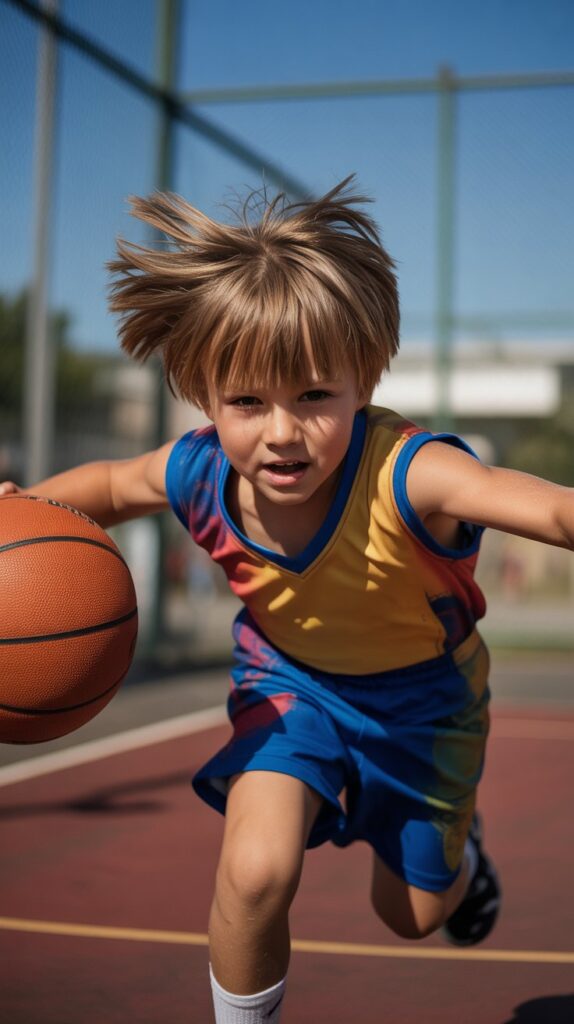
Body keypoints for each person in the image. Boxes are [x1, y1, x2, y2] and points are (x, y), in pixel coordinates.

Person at [2, 178, 572, 1023]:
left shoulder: (410, 474)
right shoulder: (199, 469)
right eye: (246, 401)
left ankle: (462, 859)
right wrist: (19, 515)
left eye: (313, 396)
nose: (280, 430)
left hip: (425, 704)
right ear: (202, 393)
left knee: (412, 916)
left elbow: (551, 508)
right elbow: (116, 484)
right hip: (289, 684)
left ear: (364, 381)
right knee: (255, 868)